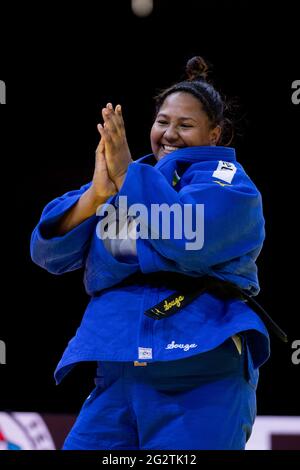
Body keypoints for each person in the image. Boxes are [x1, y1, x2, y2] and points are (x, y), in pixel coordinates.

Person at [30, 56, 271, 450]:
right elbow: (49, 253)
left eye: (185, 125)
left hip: (200, 371)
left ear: (215, 133)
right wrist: (96, 196)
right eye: (163, 121)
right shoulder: (129, 175)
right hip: (117, 369)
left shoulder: (232, 185)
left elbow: (189, 239)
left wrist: (127, 187)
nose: (170, 134)